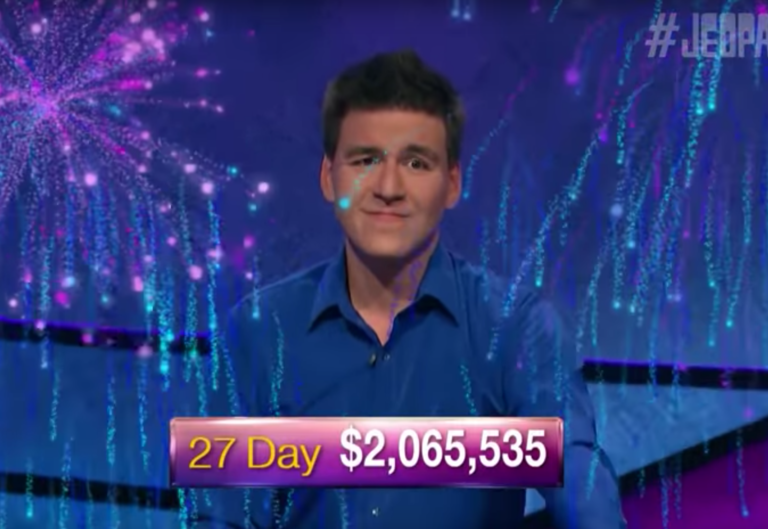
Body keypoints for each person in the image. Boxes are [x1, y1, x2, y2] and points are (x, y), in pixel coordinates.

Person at [210, 49, 626, 529]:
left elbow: (579, 483)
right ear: (328, 177)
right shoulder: (259, 330)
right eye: (365, 159)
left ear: (452, 183)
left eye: (416, 162)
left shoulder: (515, 326)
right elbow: (220, 518)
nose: (389, 187)